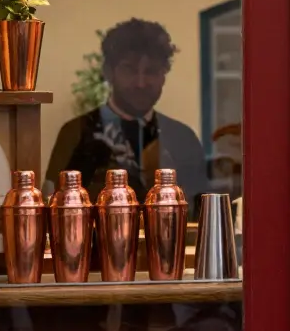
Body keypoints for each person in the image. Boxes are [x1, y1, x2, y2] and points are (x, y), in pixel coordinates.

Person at [44, 18, 210, 210]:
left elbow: (199, 214)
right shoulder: (76, 133)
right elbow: (54, 211)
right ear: (108, 72)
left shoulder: (183, 138)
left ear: (164, 74)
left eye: (151, 71)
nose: (140, 83)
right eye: (129, 70)